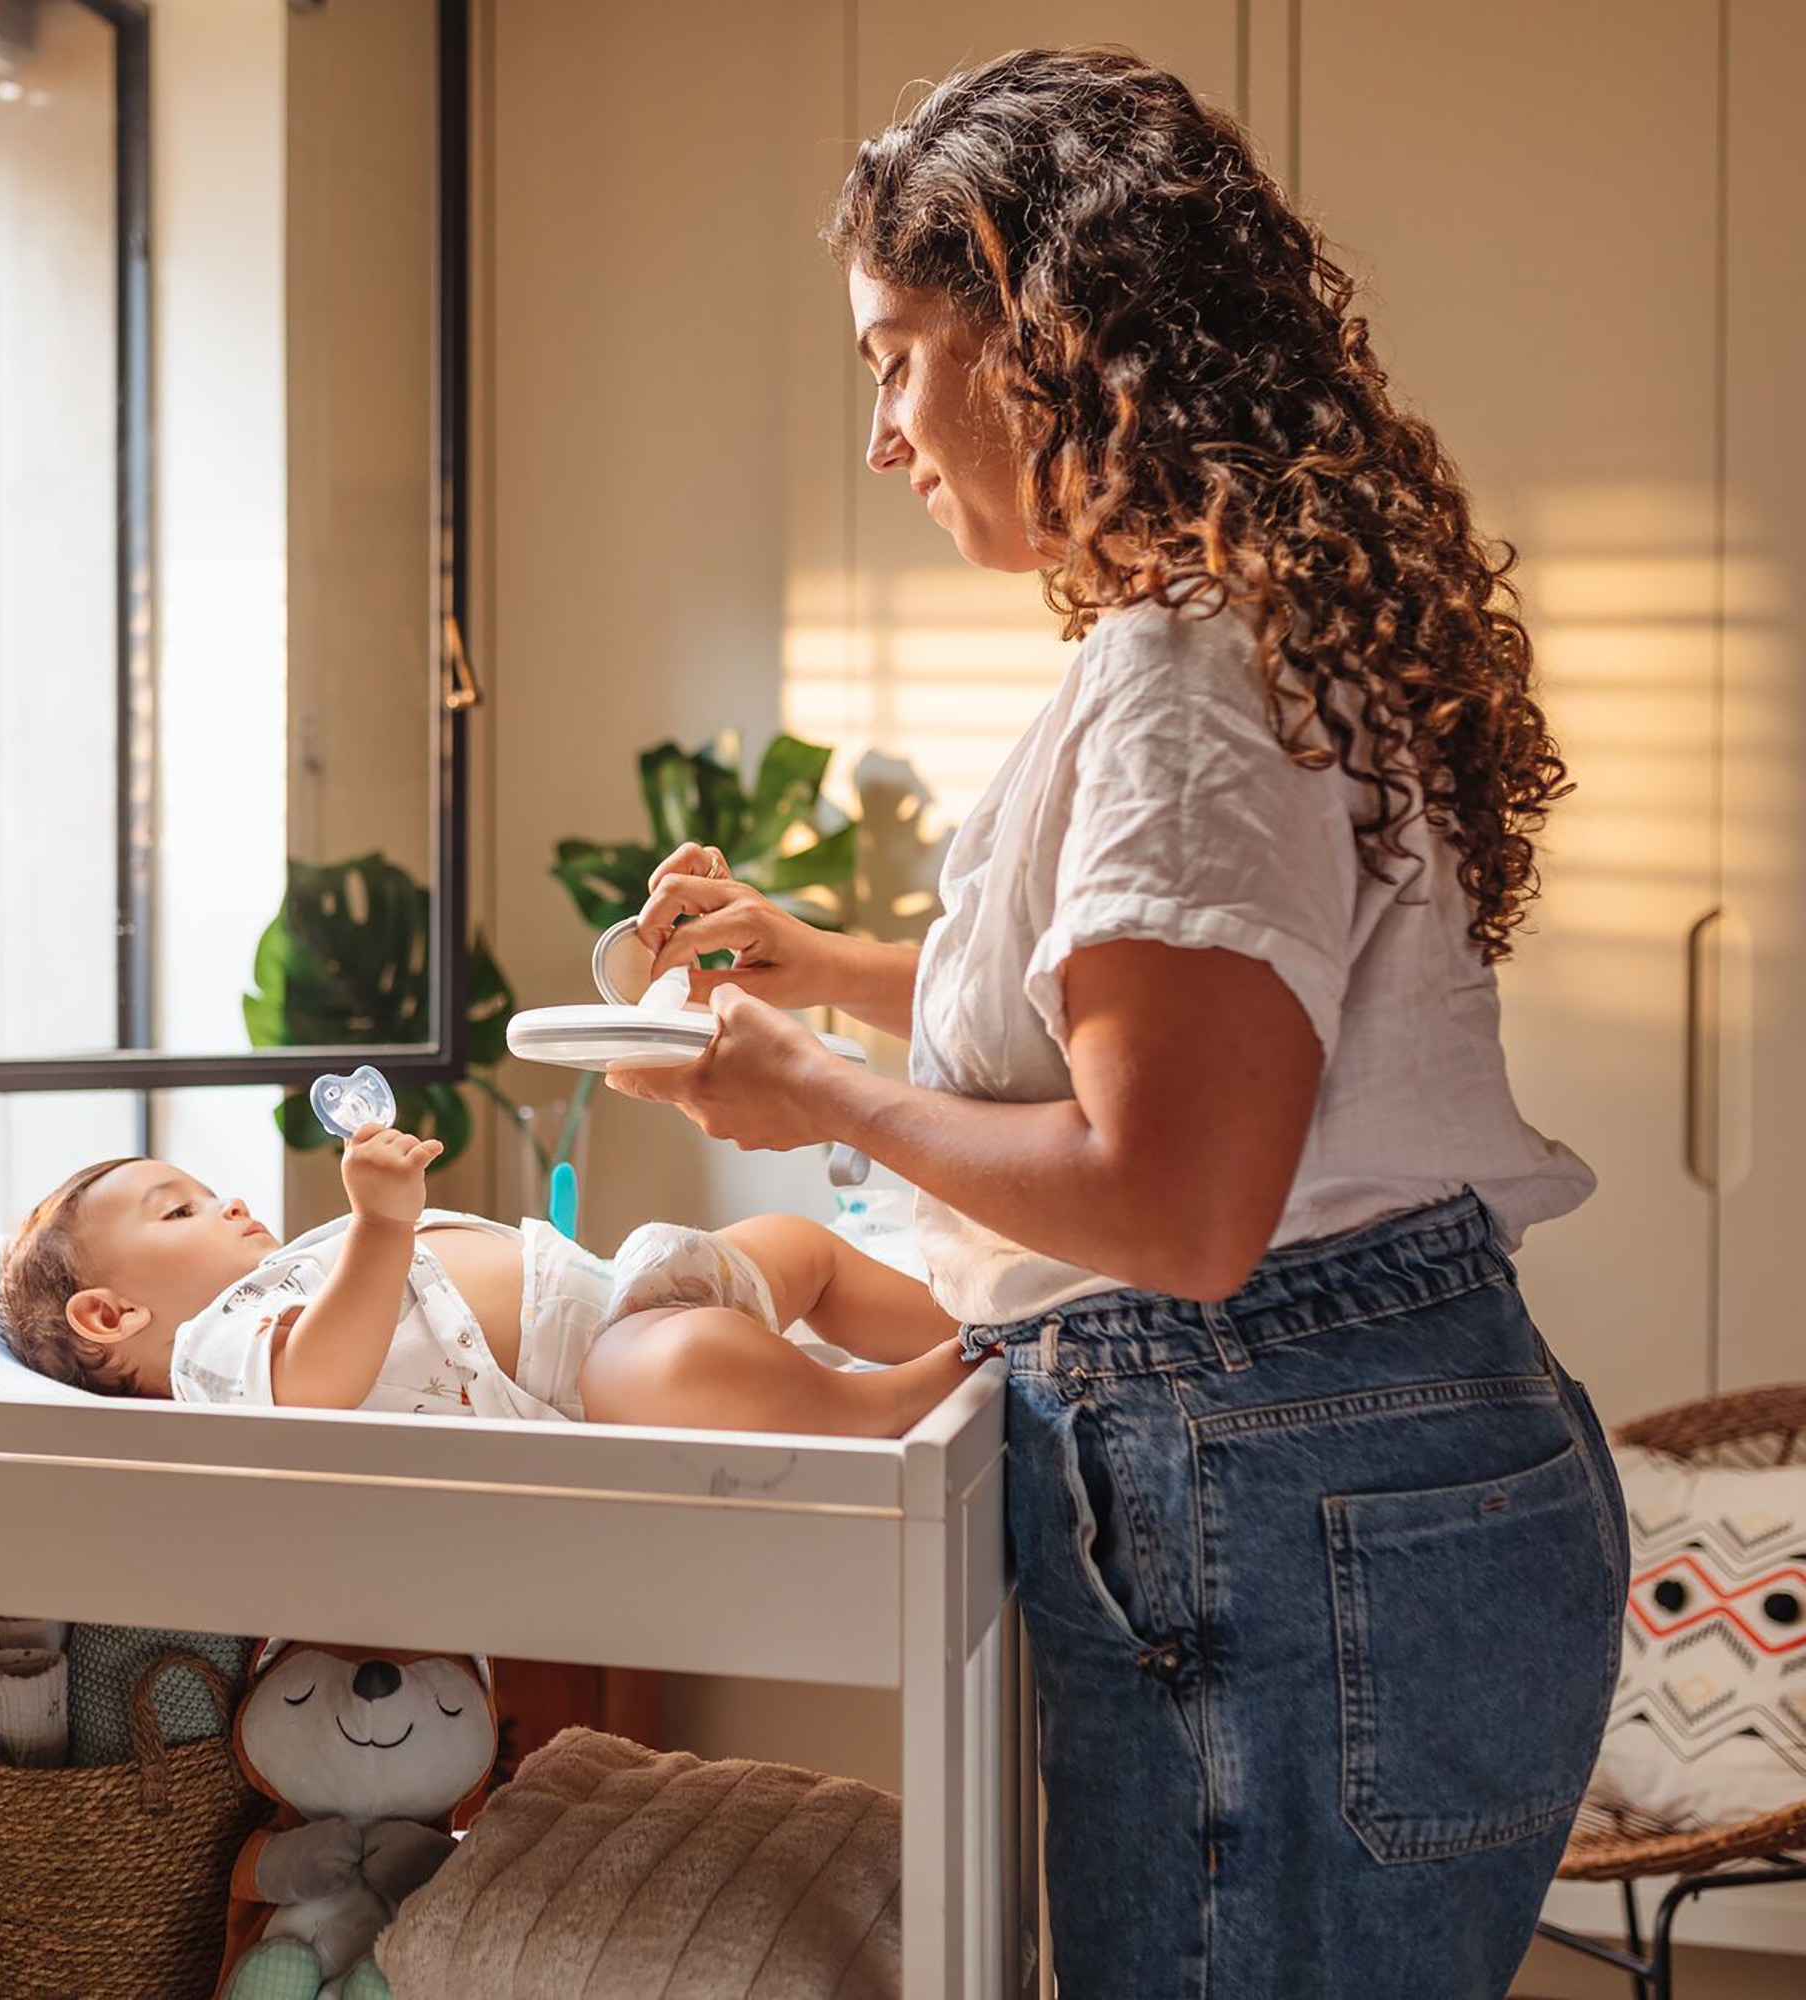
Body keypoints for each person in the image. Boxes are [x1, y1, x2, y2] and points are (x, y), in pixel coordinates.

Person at [602, 45, 1628, 1999]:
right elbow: (1151, 1034)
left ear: (1037, 320)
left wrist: (810, 1086)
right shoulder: (1218, 634)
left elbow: (1175, 1198)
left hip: (1268, 1473)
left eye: (897, 355)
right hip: (1328, 1465)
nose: (888, 434)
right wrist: (820, 965)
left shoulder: (1185, 672)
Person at [0, 1123, 975, 1435]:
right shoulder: (216, 1351)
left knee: (790, 1241)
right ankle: (881, 1399)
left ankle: (973, 1311)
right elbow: (322, 1377)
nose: (228, 1204)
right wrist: (382, 1223)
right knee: (677, 1363)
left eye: (209, 1191)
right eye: (181, 1210)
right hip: (599, 1374)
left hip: (621, 1290)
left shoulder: (288, 1273)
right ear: (112, 1312)